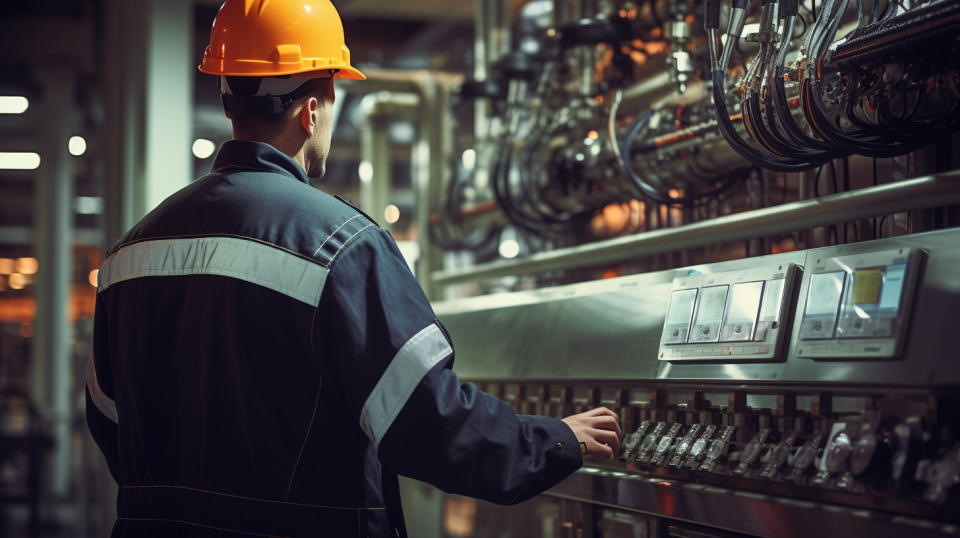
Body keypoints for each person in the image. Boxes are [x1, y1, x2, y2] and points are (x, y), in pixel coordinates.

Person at [85, 0, 621, 536]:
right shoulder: (342, 247)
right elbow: (427, 423)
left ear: (230, 100)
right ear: (313, 109)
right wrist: (549, 440)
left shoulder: (128, 256)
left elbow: (110, 423)